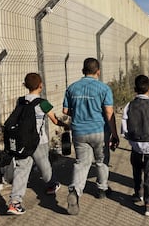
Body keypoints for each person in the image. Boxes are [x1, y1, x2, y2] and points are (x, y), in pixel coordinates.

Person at [63, 57, 119, 215]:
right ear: (98, 72)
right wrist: (114, 134)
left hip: (79, 131)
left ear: (83, 71)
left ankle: (75, 191)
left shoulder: (72, 88)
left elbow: (66, 111)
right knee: (101, 161)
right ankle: (102, 189)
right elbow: (109, 112)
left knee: (81, 163)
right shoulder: (104, 88)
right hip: (99, 131)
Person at [7, 72, 68, 215]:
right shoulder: (43, 103)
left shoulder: (20, 100)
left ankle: (14, 203)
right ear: (41, 86)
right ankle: (52, 185)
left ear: (26, 86)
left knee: (22, 170)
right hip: (39, 141)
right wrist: (65, 125)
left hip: (23, 141)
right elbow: (54, 120)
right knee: (44, 166)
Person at [121, 75, 149, 216]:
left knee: (136, 169)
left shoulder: (129, 105)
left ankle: (138, 192)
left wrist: (130, 139)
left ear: (135, 89)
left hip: (135, 144)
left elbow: (124, 128)